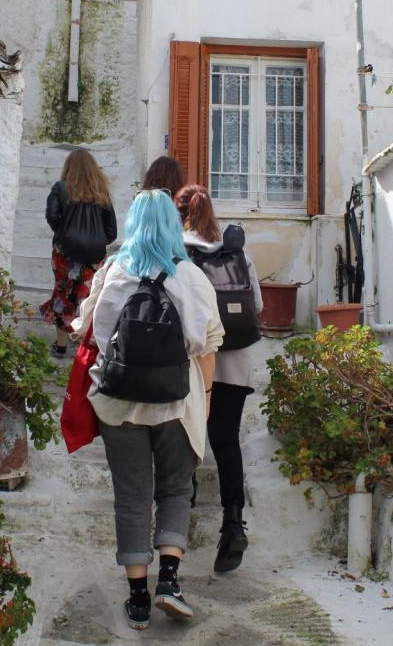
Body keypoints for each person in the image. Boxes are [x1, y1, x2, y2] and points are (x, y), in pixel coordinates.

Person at [71, 190, 223, 630]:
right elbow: (209, 343)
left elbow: (88, 330)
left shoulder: (113, 273)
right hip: (178, 401)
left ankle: (137, 599)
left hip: (118, 403)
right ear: (174, 228)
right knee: (175, 489)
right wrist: (208, 397)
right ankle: (169, 582)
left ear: (134, 224)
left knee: (132, 496)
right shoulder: (191, 276)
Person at [174, 184, 263, 574]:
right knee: (226, 441)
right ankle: (232, 523)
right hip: (236, 361)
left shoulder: (178, 252)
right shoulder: (236, 249)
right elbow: (257, 305)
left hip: (195, 362)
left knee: (186, 435)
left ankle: (183, 506)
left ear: (179, 215)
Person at [43, 149, 116, 357]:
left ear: (69, 167)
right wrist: (97, 241)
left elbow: (51, 215)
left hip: (65, 252)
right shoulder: (101, 191)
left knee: (63, 294)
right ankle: (85, 344)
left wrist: (63, 232)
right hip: (94, 255)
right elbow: (112, 231)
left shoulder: (60, 188)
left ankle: (61, 344)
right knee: (88, 296)